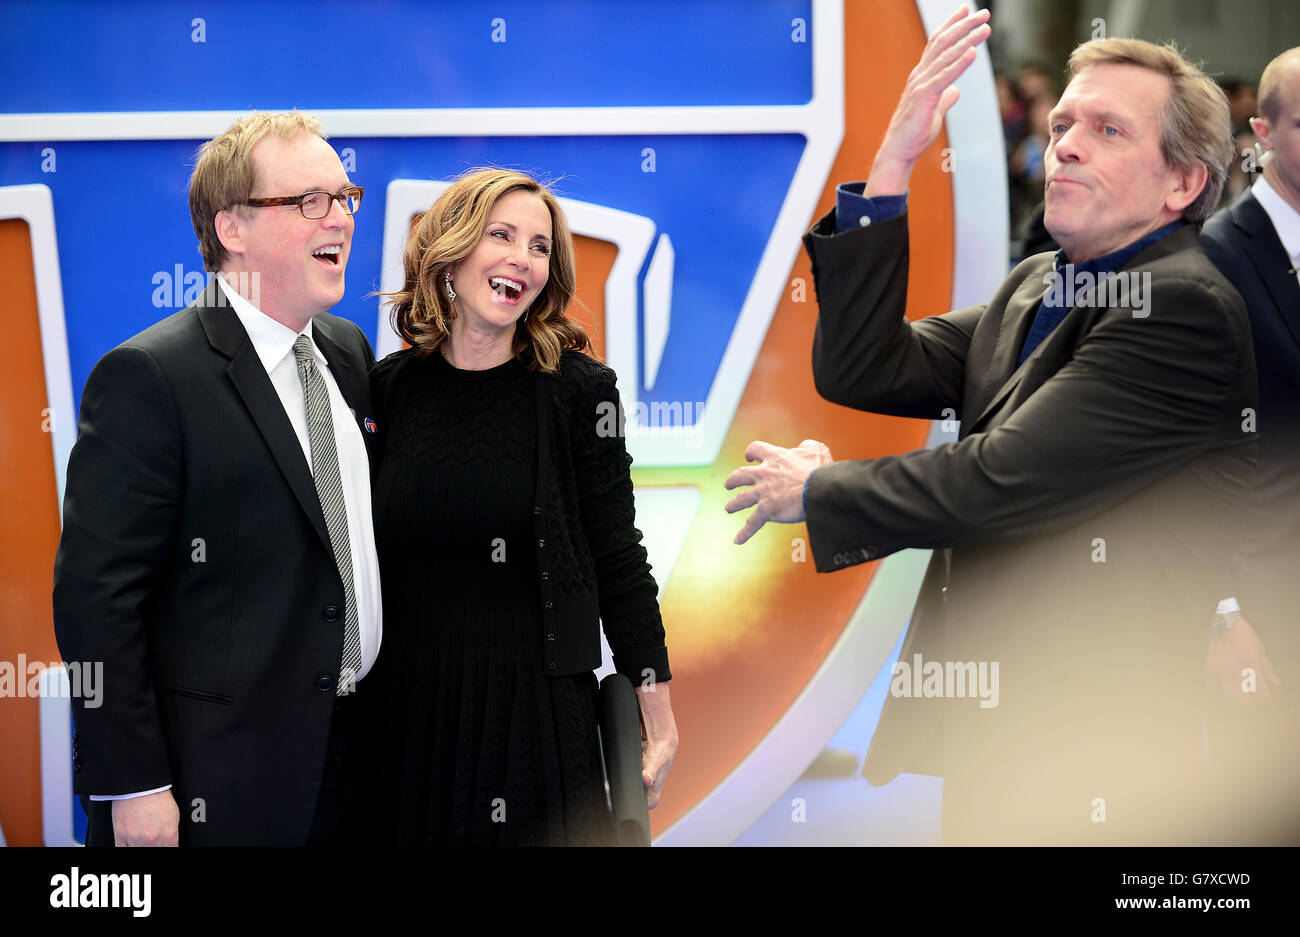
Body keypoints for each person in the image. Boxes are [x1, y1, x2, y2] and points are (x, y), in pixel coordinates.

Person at [725, 9, 1257, 845]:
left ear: (1182, 184)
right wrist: (896, 158)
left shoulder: (1178, 305)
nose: (1066, 145)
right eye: (1063, 124)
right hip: (1001, 727)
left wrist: (818, 490)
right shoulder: (1041, 281)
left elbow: (1001, 477)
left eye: (1107, 129)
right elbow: (866, 367)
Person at [52, 112, 381, 846]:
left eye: (344, 195)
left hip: (356, 764)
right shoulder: (149, 377)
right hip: (216, 788)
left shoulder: (349, 353)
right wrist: (134, 784)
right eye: (309, 202)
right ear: (232, 228)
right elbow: (95, 601)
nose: (342, 218)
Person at [363, 168, 677, 846]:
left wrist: (656, 705)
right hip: (405, 726)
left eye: (539, 246)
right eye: (500, 235)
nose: (521, 259)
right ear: (451, 250)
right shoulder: (389, 390)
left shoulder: (580, 391)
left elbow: (619, 556)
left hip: (535, 724)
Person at [1200, 46, 1300, 844]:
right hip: (1263, 605)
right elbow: (1190, 458)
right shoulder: (1215, 259)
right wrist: (1221, 616)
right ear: (1262, 133)